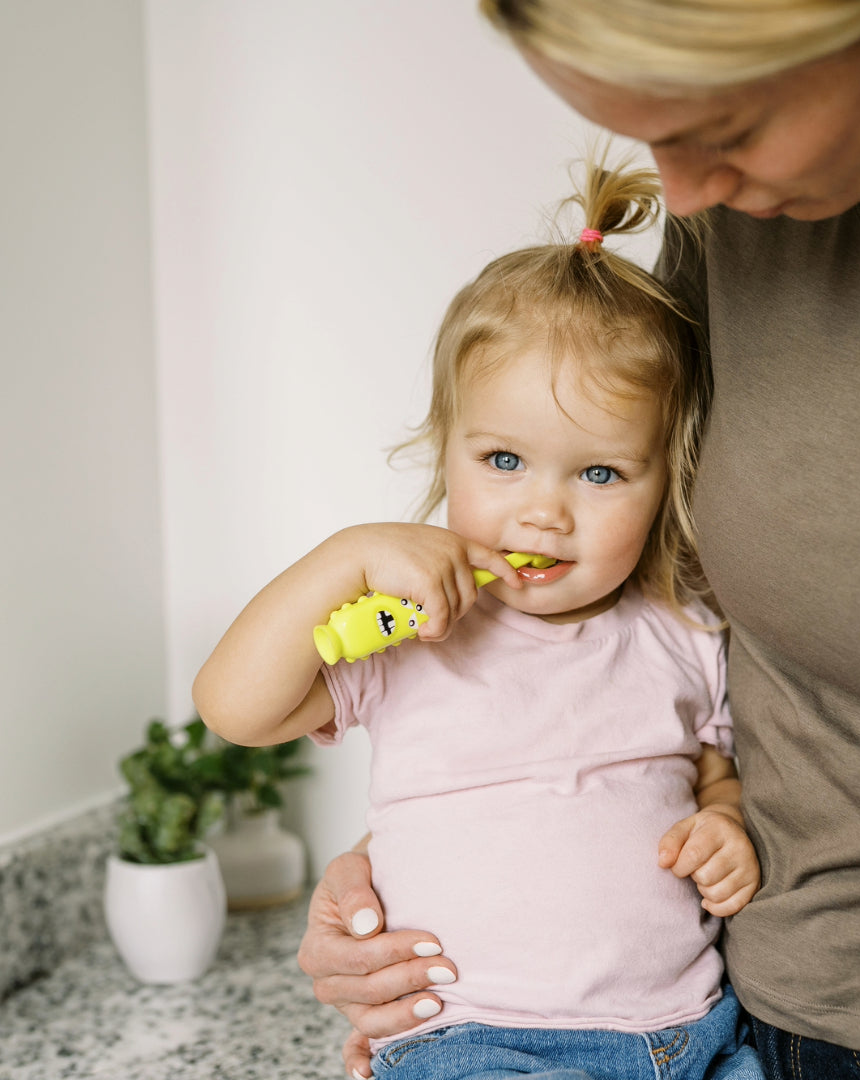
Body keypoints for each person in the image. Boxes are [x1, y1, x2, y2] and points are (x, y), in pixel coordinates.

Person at [296, 1, 860, 1078]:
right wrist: (422, 873)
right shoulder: (745, 215)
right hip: (729, 1004)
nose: (685, 193)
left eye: (732, 121)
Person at [194, 158, 766, 1080]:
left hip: (688, 1034)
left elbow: (712, 774)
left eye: (599, 473)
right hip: (476, 1040)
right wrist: (343, 558)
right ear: (446, 448)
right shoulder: (406, 630)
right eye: (504, 460)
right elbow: (234, 707)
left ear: (668, 485)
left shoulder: (681, 631)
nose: (544, 512)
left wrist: (724, 825)